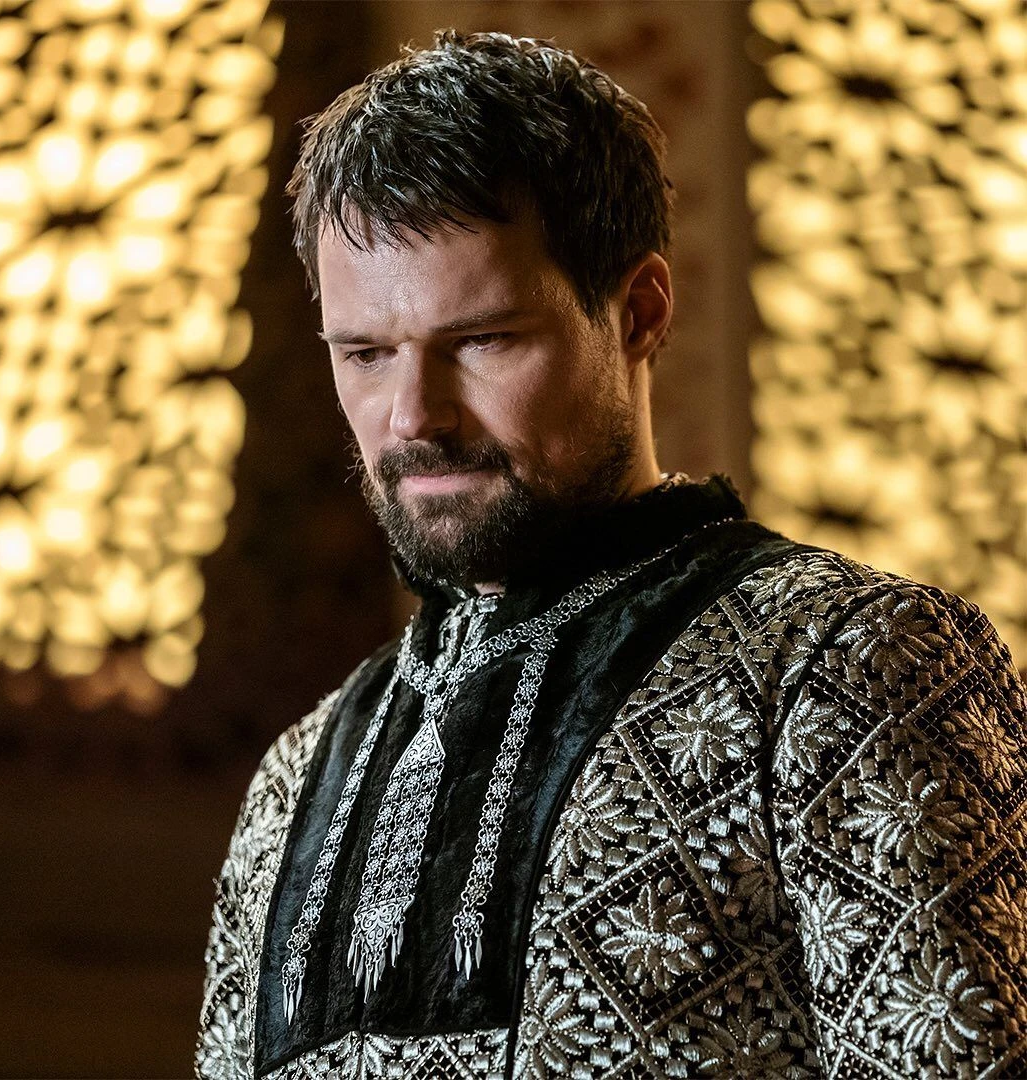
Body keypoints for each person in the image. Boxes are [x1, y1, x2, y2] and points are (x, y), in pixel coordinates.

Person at [196, 30, 1026, 1080]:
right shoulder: (295, 776)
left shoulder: (847, 662)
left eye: (482, 341)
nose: (412, 415)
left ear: (639, 312)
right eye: (365, 354)